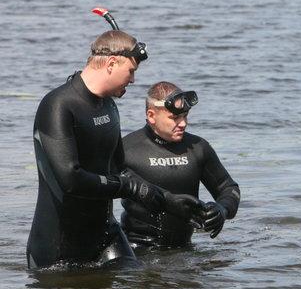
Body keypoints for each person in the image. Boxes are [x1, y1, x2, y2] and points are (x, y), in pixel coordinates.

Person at [27, 30, 203, 269]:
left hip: (106, 236)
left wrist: (169, 201)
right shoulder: (58, 105)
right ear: (111, 63)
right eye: (131, 71)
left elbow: (120, 169)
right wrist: (129, 187)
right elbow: (70, 179)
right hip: (59, 246)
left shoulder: (109, 105)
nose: (133, 80)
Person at [120, 81, 240, 248]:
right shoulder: (126, 148)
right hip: (137, 250)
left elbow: (229, 188)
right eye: (175, 117)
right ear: (151, 116)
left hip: (183, 248)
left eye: (185, 116)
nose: (183, 123)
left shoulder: (198, 147)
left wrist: (222, 209)